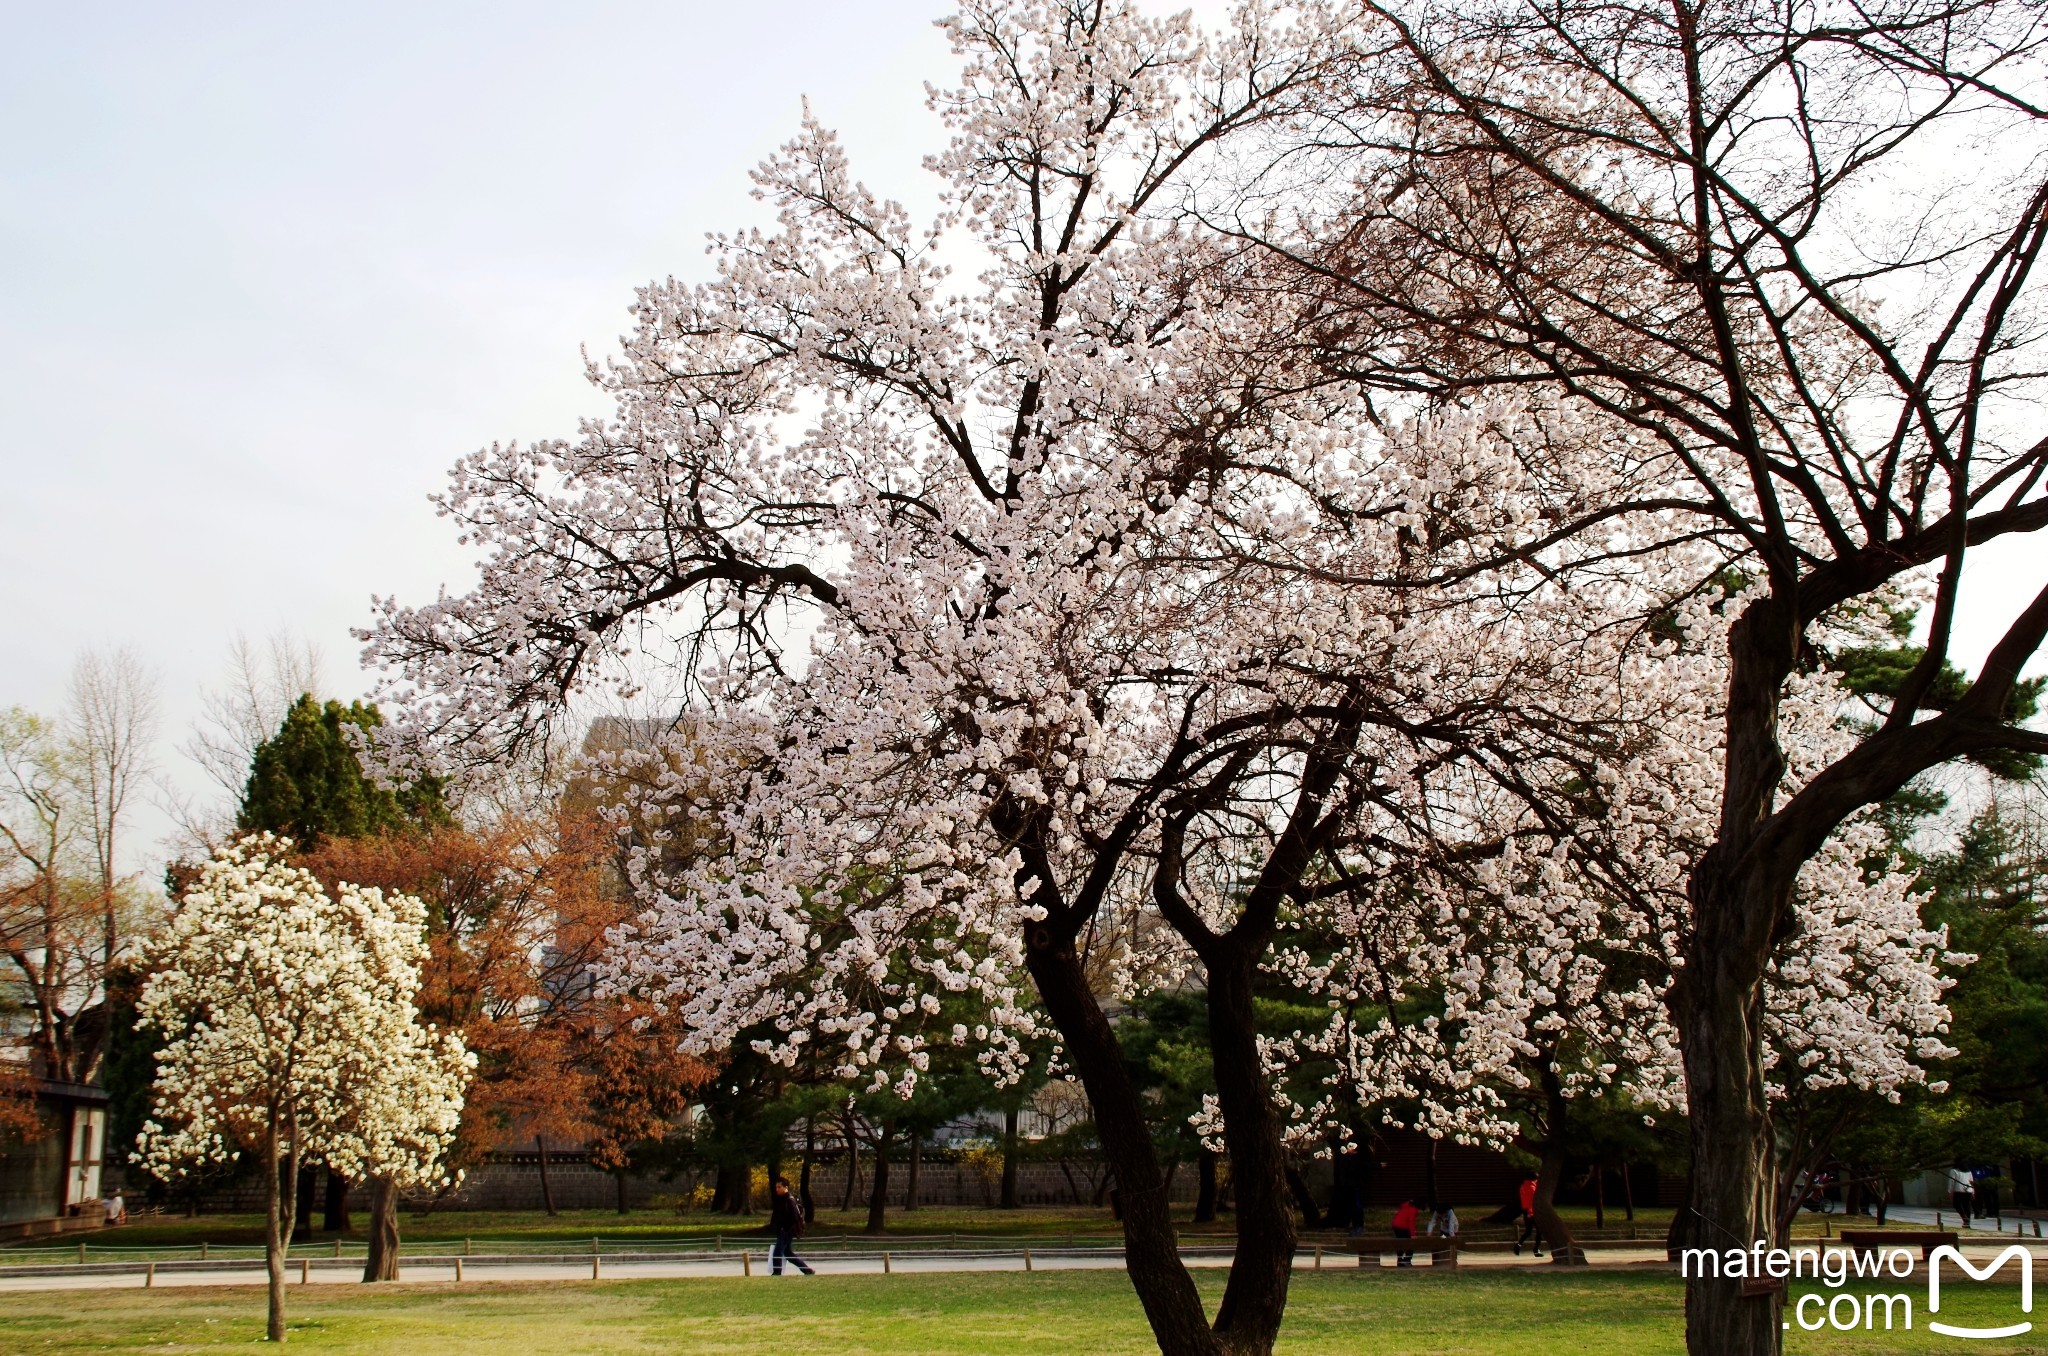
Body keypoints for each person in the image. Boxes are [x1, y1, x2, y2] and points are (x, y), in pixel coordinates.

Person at [768, 1176, 814, 1276]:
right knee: (788, 1254)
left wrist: (785, 1228)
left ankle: (777, 1273)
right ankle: (807, 1270)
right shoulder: (781, 1200)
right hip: (784, 1230)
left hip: (786, 1230)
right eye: (776, 1187)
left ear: (786, 1187)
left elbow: (794, 1217)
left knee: (777, 1252)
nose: (777, 1189)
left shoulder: (789, 1200)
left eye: (779, 1187)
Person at [1513, 1176, 1543, 1257]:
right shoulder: (1532, 1188)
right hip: (1532, 1211)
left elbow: (1525, 1199)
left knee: (1528, 1231)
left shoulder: (1523, 1186)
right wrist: (1531, 1212)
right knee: (1539, 1231)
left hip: (1525, 1210)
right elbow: (1532, 1200)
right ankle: (1536, 1249)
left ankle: (1518, 1245)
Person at [1390, 1198, 1420, 1266]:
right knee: (1410, 1243)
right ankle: (1407, 1260)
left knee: (1400, 1243)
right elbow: (1411, 1221)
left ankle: (1400, 1260)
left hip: (1396, 1225)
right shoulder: (1413, 1209)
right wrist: (1413, 1235)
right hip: (1402, 1227)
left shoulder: (1405, 1206)